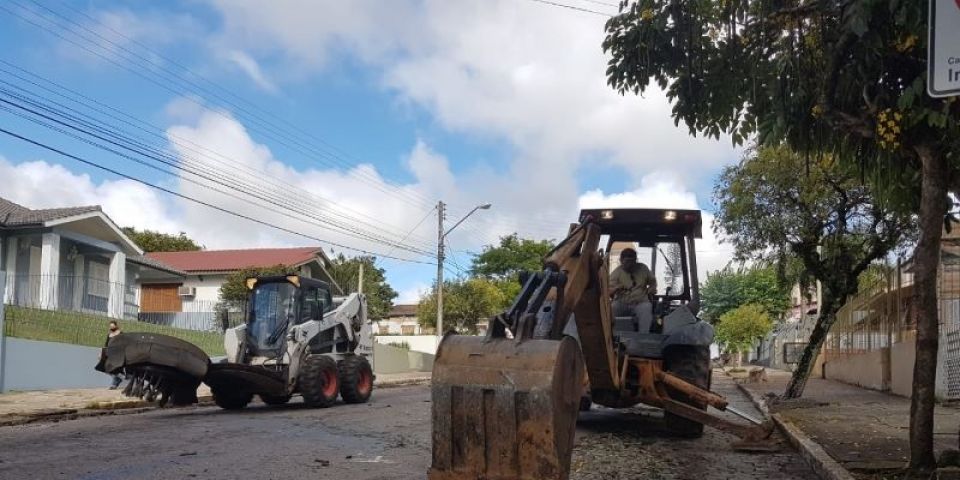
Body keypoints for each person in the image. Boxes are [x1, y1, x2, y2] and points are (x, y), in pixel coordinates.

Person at [610, 248, 657, 330]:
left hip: (640, 302)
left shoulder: (643, 269)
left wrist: (651, 289)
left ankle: (643, 335)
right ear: (621, 260)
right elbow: (608, 290)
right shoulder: (616, 273)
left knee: (646, 307)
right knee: (613, 308)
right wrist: (616, 288)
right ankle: (613, 334)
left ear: (635, 260)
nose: (629, 265)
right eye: (627, 262)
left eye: (632, 262)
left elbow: (653, 282)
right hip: (622, 303)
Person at [104, 321, 123, 389]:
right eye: (110, 326)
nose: (111, 327)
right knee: (108, 369)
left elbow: (124, 343)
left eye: (113, 326)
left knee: (115, 368)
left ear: (116, 326)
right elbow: (106, 345)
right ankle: (120, 378)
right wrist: (102, 353)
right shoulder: (109, 335)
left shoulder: (120, 333)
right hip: (110, 354)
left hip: (118, 354)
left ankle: (114, 385)